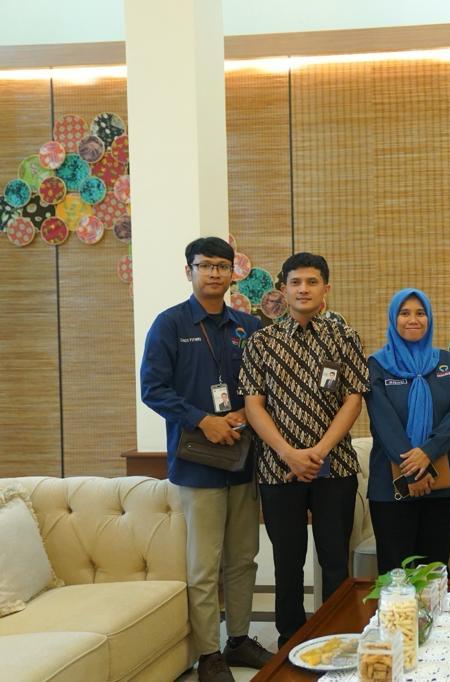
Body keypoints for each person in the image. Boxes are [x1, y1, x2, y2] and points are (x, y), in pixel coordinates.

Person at [140, 236, 271, 682]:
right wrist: (202, 419)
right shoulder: (169, 324)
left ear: (234, 273)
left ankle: (239, 639)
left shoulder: (248, 326)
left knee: (244, 556)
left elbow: (263, 385)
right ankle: (209, 653)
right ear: (189, 271)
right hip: (198, 463)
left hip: (243, 459)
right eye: (205, 265)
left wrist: (245, 414)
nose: (214, 273)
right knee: (204, 565)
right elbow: (153, 389)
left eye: (222, 266)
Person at [239, 252, 370, 647]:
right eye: (295, 282)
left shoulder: (344, 337)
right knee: (288, 561)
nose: (303, 289)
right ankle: (291, 642)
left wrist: (319, 451)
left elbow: (353, 399)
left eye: (312, 282)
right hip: (279, 469)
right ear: (283, 289)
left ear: (326, 288)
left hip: (336, 468)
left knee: (335, 560)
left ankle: (337, 637)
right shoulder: (261, 341)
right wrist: (288, 453)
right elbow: (253, 405)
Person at [365, 288, 450, 572]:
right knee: (396, 573)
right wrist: (414, 470)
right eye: (405, 313)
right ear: (393, 319)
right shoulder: (377, 365)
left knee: (434, 571)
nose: (413, 319)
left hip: (439, 482)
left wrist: (428, 453)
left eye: (420, 313)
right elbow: (383, 423)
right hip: (391, 485)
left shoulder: (445, 361)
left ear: (429, 318)